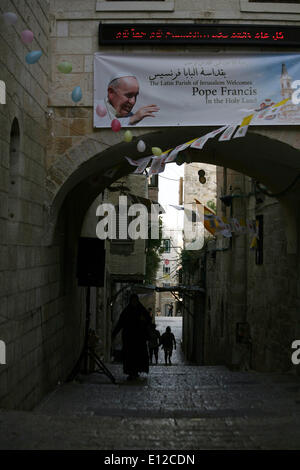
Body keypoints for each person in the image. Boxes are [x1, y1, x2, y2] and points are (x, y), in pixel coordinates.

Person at [112, 294, 151, 380]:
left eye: (135, 301)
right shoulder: (127, 311)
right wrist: (114, 333)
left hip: (139, 339)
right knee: (129, 356)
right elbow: (120, 323)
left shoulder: (141, 310)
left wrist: (144, 321)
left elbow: (148, 320)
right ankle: (131, 372)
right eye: (133, 301)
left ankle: (136, 372)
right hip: (129, 339)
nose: (134, 302)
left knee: (137, 356)